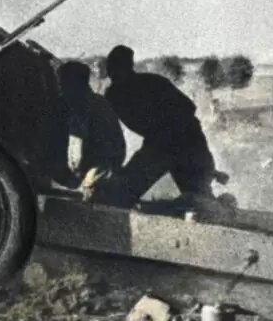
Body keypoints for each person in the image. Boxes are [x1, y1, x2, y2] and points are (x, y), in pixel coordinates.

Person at [96, 45, 229, 210]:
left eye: (118, 67)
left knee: (200, 196)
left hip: (184, 139)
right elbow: (111, 130)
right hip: (159, 144)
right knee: (122, 192)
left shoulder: (152, 82)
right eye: (111, 68)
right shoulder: (114, 95)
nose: (113, 73)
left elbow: (187, 107)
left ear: (128, 67)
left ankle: (223, 209)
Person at [56, 61, 126, 201]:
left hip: (100, 170)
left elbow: (77, 155)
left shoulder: (85, 107)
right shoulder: (95, 102)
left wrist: (78, 178)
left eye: (63, 83)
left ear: (75, 84)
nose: (61, 88)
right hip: (106, 165)